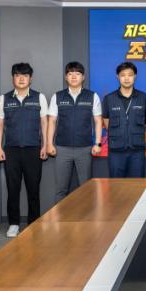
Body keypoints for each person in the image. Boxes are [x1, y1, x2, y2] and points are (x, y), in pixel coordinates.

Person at [0, 63, 48, 238]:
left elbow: (44, 122)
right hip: (11, 150)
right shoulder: (4, 99)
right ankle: (14, 224)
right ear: (13, 78)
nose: (21, 78)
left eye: (25, 75)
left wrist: (45, 145)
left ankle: (34, 223)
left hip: (33, 149)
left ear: (30, 78)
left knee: (33, 188)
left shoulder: (39, 97)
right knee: (13, 189)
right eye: (17, 75)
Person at [47, 62, 102, 202]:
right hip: (62, 148)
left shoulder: (92, 96)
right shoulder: (57, 96)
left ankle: (87, 215)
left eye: (77, 74)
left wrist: (97, 143)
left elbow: (98, 121)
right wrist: (49, 144)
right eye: (70, 74)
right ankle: (60, 216)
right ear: (66, 77)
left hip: (85, 148)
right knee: (61, 189)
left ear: (83, 77)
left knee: (86, 188)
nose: (73, 77)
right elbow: (52, 121)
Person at [102, 62, 146, 178]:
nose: (126, 78)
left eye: (130, 75)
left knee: (137, 185)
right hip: (116, 150)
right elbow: (106, 121)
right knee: (116, 185)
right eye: (123, 75)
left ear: (135, 76)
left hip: (137, 150)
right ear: (117, 77)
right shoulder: (109, 98)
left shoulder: (143, 97)